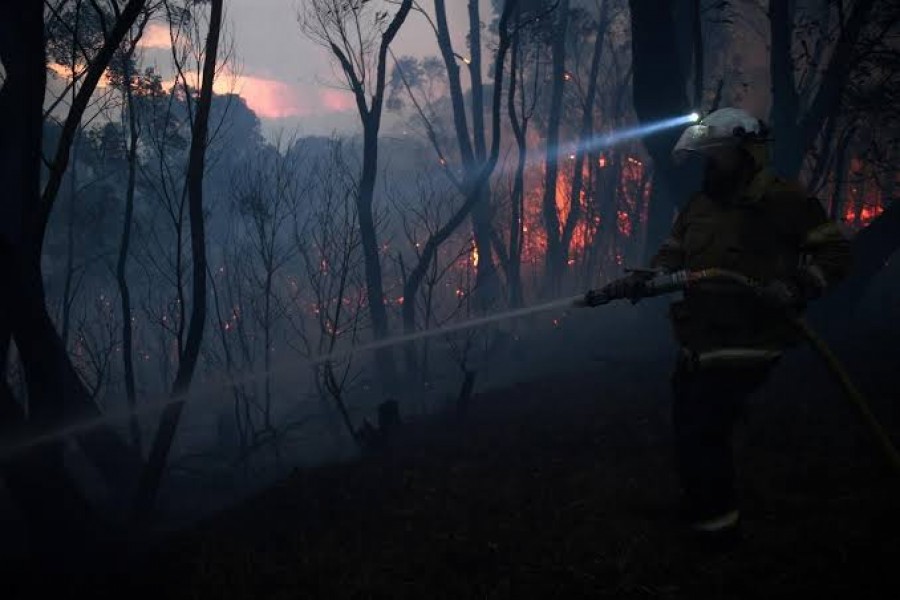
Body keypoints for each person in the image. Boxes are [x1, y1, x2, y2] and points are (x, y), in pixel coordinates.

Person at [601, 107, 852, 544]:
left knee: (704, 427)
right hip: (700, 338)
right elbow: (671, 257)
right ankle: (703, 508)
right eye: (705, 158)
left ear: (746, 153)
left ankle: (717, 531)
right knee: (687, 426)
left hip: (750, 337)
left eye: (716, 156)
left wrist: (795, 287)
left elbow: (836, 256)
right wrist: (644, 278)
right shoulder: (699, 207)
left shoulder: (784, 201)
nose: (708, 166)